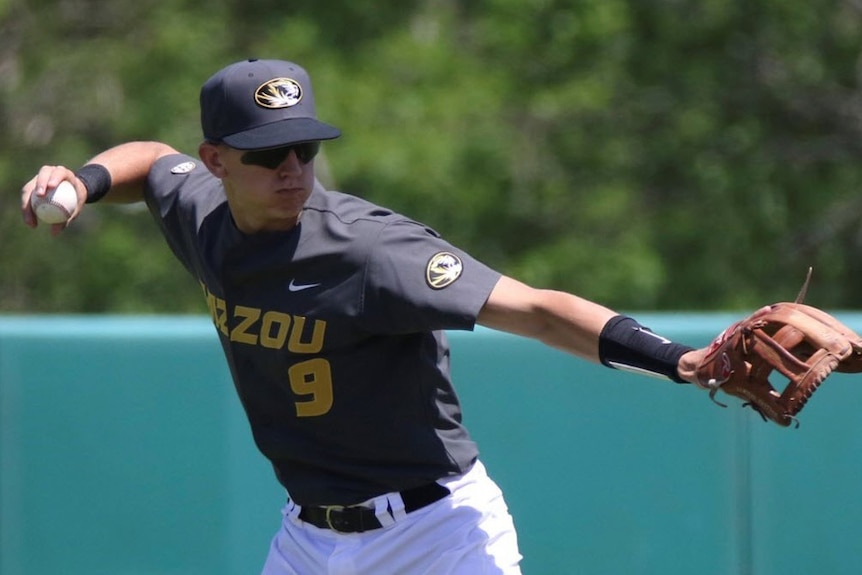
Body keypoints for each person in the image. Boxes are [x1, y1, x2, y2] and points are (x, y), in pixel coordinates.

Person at [21, 58, 712, 574]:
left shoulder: (372, 250)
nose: (293, 168)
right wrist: (84, 181)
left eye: (306, 148)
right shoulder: (203, 213)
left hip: (436, 534)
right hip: (307, 539)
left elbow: (535, 309)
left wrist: (680, 360)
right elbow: (150, 161)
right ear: (217, 160)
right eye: (268, 153)